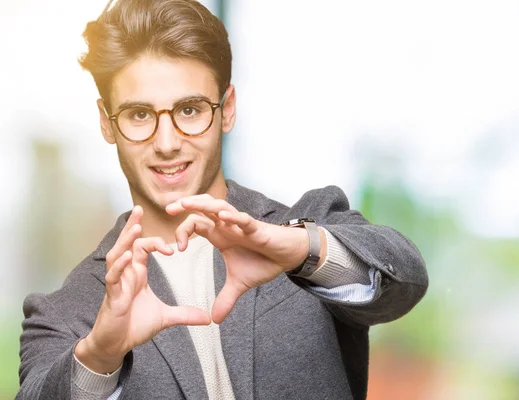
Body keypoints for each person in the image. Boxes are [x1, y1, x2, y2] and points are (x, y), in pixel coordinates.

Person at [17, 0, 428, 399]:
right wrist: (100, 354)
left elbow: (405, 280)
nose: (166, 143)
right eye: (140, 114)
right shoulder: (65, 311)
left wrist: (301, 250)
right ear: (108, 124)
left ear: (226, 109)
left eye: (190, 110)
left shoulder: (306, 225)